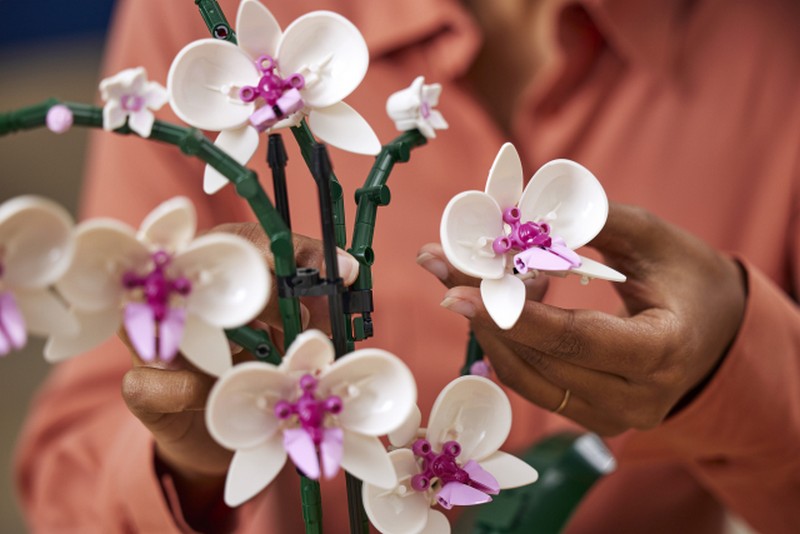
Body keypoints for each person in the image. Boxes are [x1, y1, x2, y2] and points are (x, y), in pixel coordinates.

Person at [14, 0, 800, 532]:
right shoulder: (189, 23)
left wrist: (736, 373)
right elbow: (66, 484)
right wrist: (194, 456)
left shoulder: (774, 49)